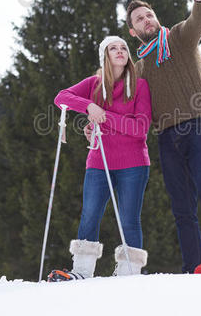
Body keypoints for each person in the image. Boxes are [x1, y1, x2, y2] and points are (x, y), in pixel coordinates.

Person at [127, 0, 201, 273]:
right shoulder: (139, 69)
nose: (146, 19)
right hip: (168, 136)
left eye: (149, 14)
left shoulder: (177, 37)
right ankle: (194, 266)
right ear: (133, 31)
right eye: (139, 19)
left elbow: (196, 22)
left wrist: (200, 2)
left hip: (200, 126)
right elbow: (123, 103)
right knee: (182, 207)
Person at [50, 36, 152, 281]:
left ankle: (129, 272)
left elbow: (141, 128)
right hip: (98, 161)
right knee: (90, 213)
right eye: (113, 48)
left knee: (129, 218)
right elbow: (61, 97)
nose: (120, 51)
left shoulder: (140, 86)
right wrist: (88, 107)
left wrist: (104, 115)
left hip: (134, 163)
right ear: (104, 56)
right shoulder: (94, 84)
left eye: (124, 48)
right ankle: (82, 271)